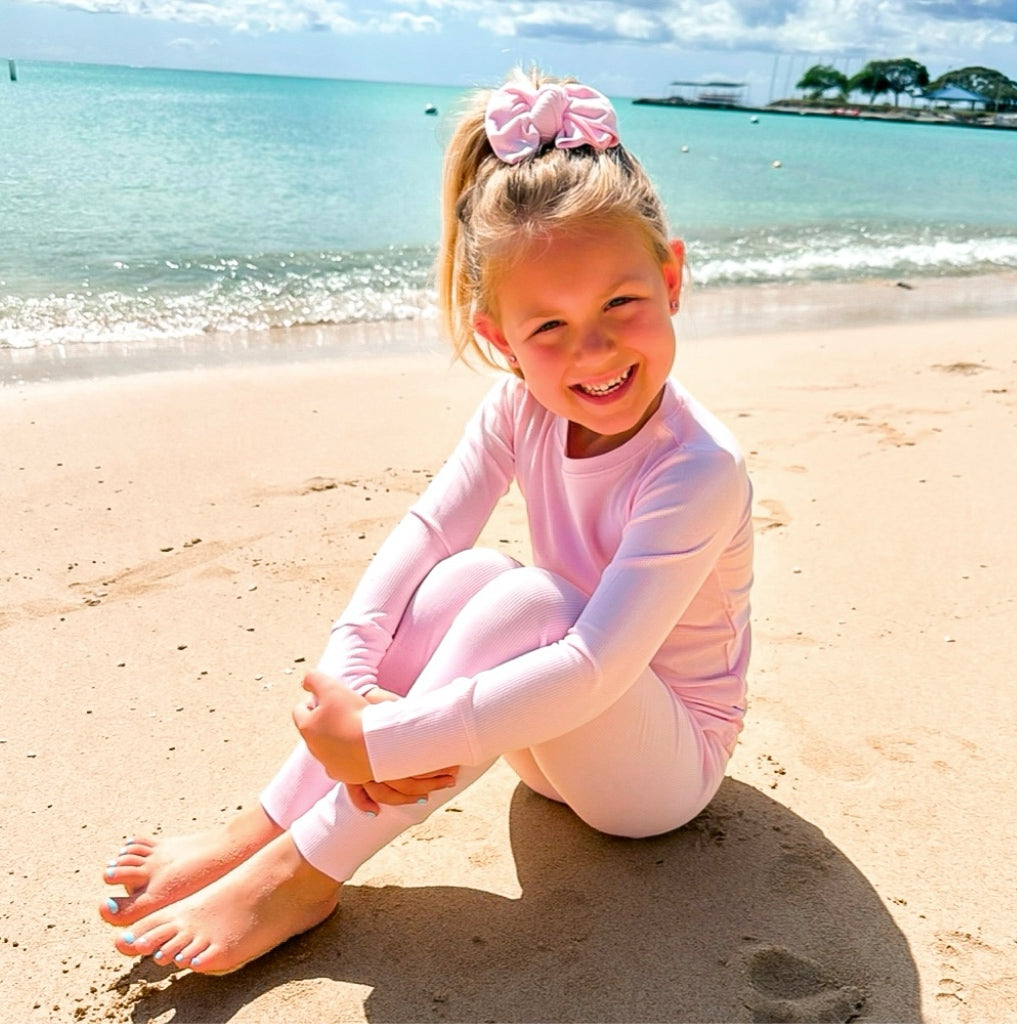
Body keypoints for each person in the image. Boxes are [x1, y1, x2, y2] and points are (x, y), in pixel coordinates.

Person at [99, 67, 754, 976]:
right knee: (466, 574)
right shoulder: (517, 408)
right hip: (539, 740)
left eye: (620, 303)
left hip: (657, 771)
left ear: (671, 277)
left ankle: (302, 873)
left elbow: (595, 667)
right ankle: (264, 827)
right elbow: (429, 531)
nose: (594, 349)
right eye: (548, 328)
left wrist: (384, 740)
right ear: (500, 338)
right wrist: (348, 676)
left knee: (530, 598)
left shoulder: (699, 466)